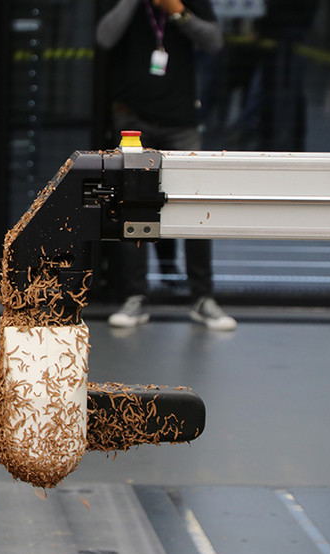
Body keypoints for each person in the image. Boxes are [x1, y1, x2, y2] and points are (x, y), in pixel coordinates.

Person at [96, 0, 237, 331]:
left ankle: (202, 297)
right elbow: (104, 36)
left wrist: (179, 12)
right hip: (132, 118)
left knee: (195, 205)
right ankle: (135, 296)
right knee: (131, 207)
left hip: (181, 120)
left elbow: (213, 41)